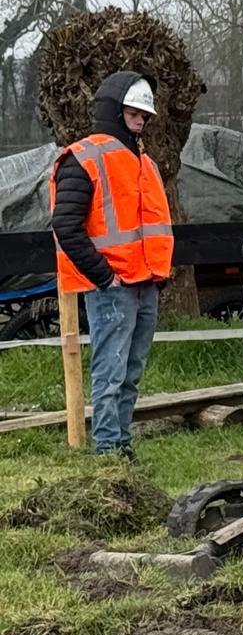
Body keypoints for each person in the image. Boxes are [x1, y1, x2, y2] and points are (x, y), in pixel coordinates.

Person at [49, 73, 172, 460]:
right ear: (116, 111)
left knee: (129, 372)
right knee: (112, 371)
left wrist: (155, 276)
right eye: (135, 113)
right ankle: (108, 449)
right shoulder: (84, 157)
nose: (141, 120)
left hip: (144, 281)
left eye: (144, 114)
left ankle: (120, 446)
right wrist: (105, 276)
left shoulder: (144, 162)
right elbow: (65, 225)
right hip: (115, 285)